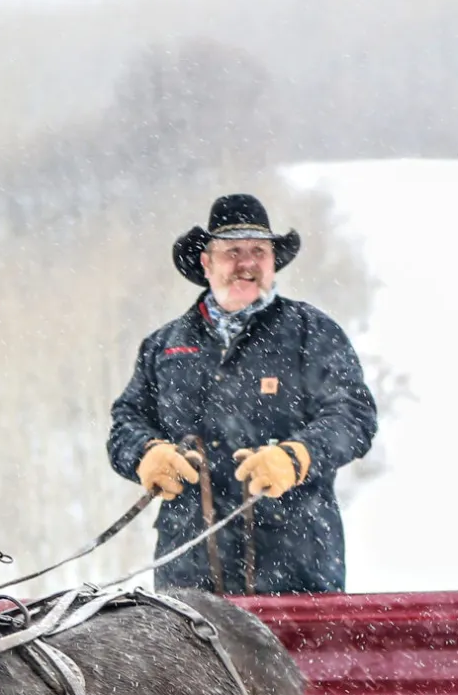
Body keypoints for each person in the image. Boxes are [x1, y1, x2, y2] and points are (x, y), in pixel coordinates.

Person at [106, 192, 378, 594]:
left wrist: (297, 457)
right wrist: (146, 454)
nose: (247, 263)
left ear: (273, 262)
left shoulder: (311, 333)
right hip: (188, 583)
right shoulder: (163, 346)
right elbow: (124, 424)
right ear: (207, 262)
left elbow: (353, 416)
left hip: (297, 575)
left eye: (259, 251)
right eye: (233, 251)